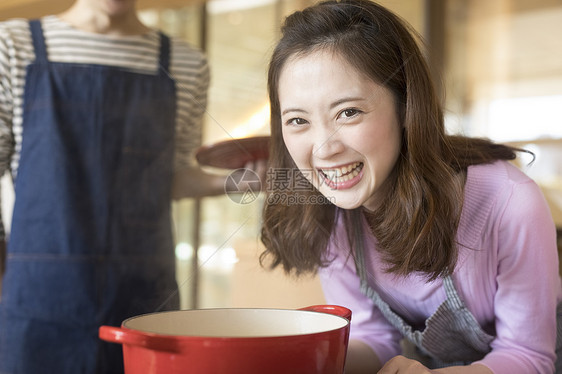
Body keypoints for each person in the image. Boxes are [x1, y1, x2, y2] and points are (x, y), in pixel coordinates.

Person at [260, 0, 562, 373]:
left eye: (348, 112)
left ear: (405, 106)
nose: (324, 148)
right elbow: (373, 339)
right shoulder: (332, 218)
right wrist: (307, 359)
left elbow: (530, 356)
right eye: (298, 120)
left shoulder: (510, 202)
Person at [0, 0, 264, 372]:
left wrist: (244, 181)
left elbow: (170, 178)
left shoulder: (186, 64)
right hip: (38, 306)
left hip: (144, 300)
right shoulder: (13, 45)